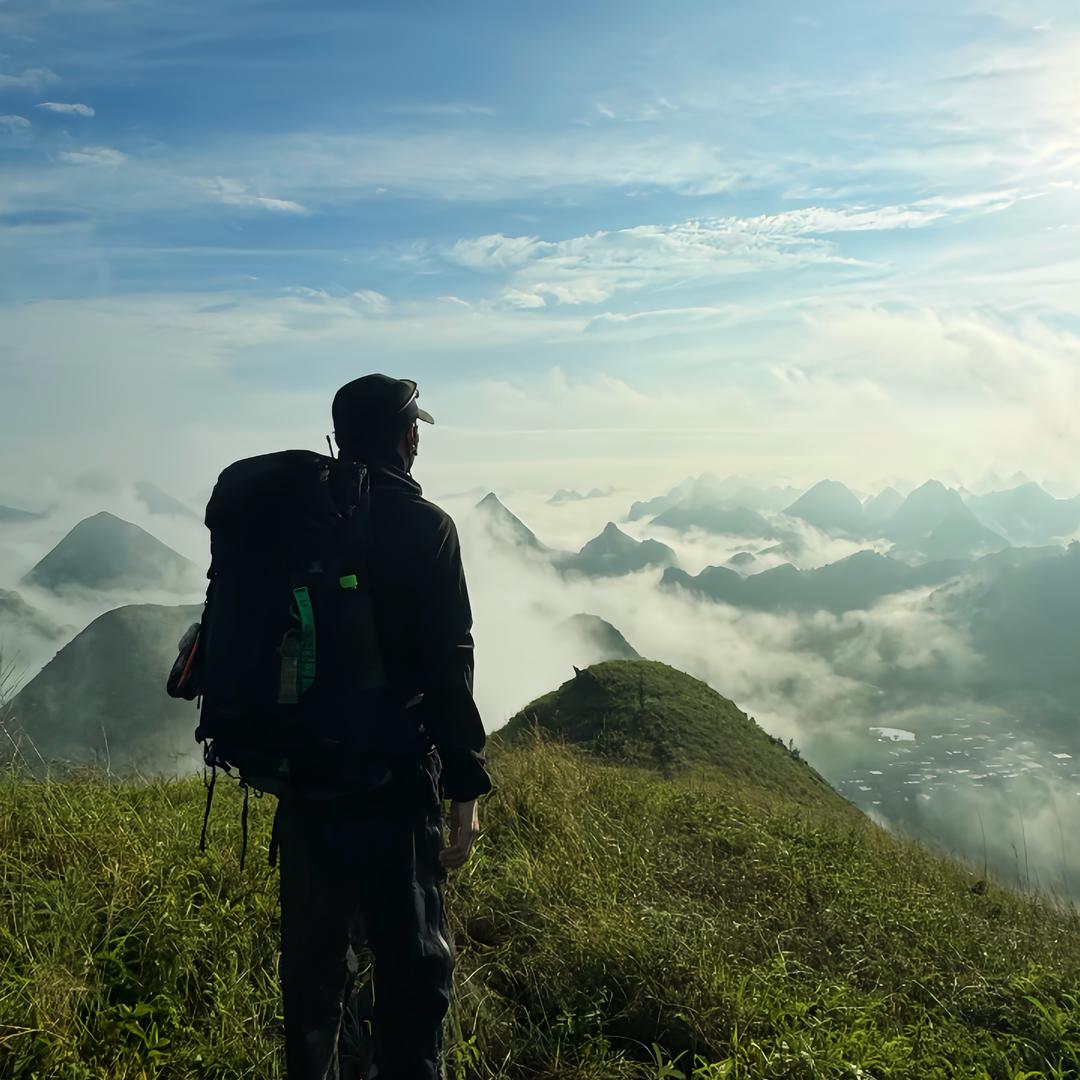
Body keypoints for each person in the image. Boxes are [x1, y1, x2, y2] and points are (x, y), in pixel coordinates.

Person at [273, 373, 491, 1080]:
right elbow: (451, 664)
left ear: (340, 439)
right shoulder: (427, 529)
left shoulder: (293, 522)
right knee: (413, 972)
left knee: (313, 978)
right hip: (395, 789)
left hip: (306, 787)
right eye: (415, 428)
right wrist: (466, 788)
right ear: (407, 437)